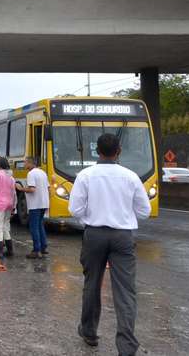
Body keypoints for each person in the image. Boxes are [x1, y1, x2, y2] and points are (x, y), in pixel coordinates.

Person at [69, 133, 151, 355]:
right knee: (125, 291)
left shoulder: (85, 175)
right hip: (123, 237)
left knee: (92, 284)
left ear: (97, 151)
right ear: (119, 151)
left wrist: (92, 216)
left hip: (94, 235)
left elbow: (74, 210)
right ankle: (126, 346)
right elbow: (145, 211)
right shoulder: (131, 177)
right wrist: (123, 213)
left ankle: (89, 332)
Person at [17, 157, 50, 258]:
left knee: (33, 227)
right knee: (40, 225)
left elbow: (32, 189)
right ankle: (43, 247)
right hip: (44, 203)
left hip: (35, 204)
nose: (24, 165)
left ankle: (36, 250)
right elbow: (49, 188)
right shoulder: (42, 172)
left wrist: (21, 188)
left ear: (30, 163)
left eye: (25, 162)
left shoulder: (31, 174)